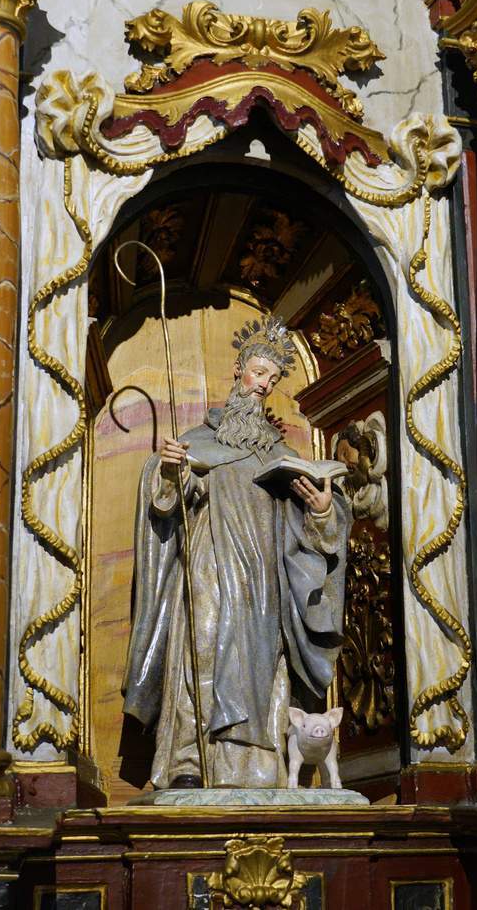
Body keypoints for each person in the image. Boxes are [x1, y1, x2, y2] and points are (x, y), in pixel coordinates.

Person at [123, 317, 351, 789]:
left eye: (272, 379)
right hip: (209, 562)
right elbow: (167, 503)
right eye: (258, 372)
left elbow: (311, 534)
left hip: (264, 576)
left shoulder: (281, 455)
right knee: (201, 650)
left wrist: (324, 509)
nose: (263, 385)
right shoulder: (197, 441)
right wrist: (171, 470)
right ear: (238, 368)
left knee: (259, 665)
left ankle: (256, 771)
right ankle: (188, 763)